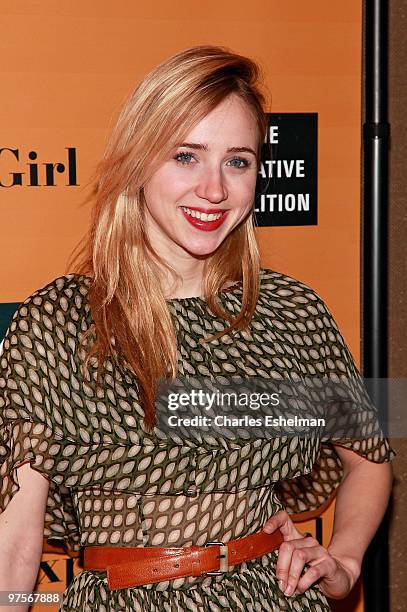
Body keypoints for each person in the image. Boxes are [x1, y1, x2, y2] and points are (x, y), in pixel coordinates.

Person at [0, 45, 395, 612]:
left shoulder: (290, 312)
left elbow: (369, 457)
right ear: (138, 161)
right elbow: (15, 544)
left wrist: (346, 561)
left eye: (238, 161)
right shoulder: (57, 323)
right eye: (187, 156)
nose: (215, 189)